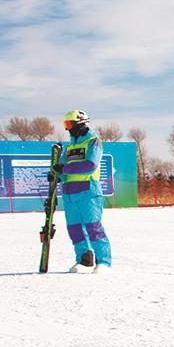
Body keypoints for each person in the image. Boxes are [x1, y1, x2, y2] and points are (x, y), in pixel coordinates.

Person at [56, 109, 112, 273]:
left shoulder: (93, 141)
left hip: (88, 191)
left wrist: (65, 168)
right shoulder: (70, 145)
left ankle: (104, 262)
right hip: (69, 193)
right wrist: (56, 175)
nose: (67, 128)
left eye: (70, 124)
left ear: (80, 123)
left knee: (93, 227)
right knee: (74, 229)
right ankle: (84, 259)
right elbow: (62, 169)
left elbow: (90, 165)